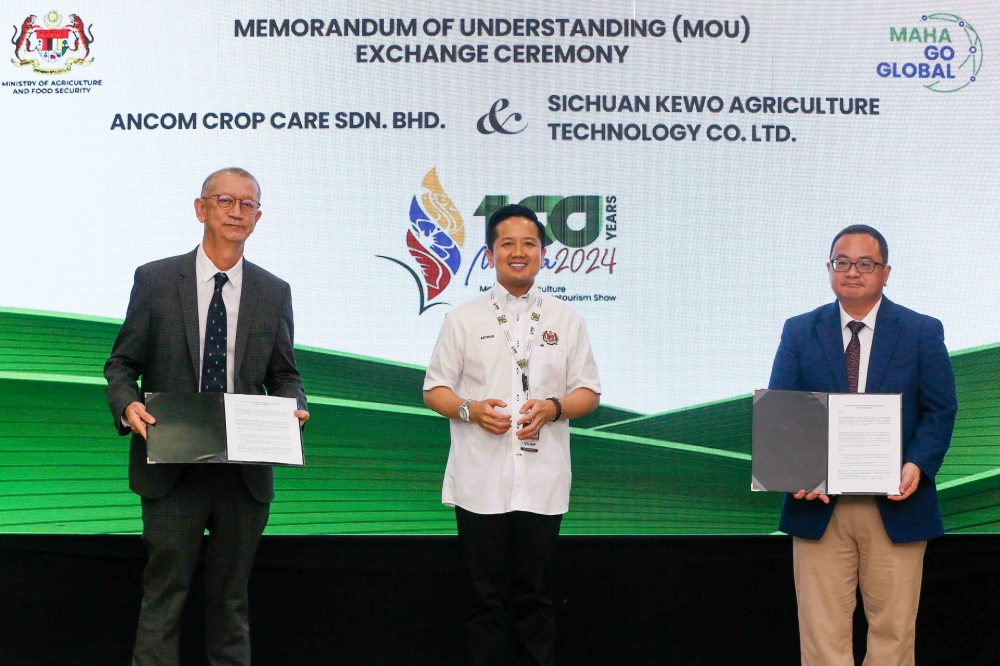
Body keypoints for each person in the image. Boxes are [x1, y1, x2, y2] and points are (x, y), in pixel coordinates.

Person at [104, 167, 309, 666]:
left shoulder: (273, 290)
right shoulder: (155, 279)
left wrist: (295, 405)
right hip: (172, 464)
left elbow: (284, 375)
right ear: (201, 209)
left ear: (258, 218)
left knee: (231, 598)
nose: (236, 212)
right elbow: (122, 364)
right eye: (224, 201)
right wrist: (126, 403)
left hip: (244, 471)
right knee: (164, 594)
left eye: (247, 204)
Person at [768, 224, 957, 666]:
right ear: (830, 268)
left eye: (865, 263)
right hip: (817, 504)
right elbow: (783, 409)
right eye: (842, 262)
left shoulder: (921, 331)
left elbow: (940, 410)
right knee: (821, 636)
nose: (852, 272)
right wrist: (796, 470)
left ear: (885, 272)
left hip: (897, 503)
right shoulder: (799, 330)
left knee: (893, 632)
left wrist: (919, 464)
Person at [423, 204, 601, 666]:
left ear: (543, 254)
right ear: (490, 255)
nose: (518, 253)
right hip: (479, 481)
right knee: (485, 600)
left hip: (541, 481)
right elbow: (434, 389)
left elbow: (589, 393)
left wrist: (554, 407)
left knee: (536, 599)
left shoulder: (566, 319)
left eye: (529, 244)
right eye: (508, 244)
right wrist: (470, 409)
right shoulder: (463, 318)